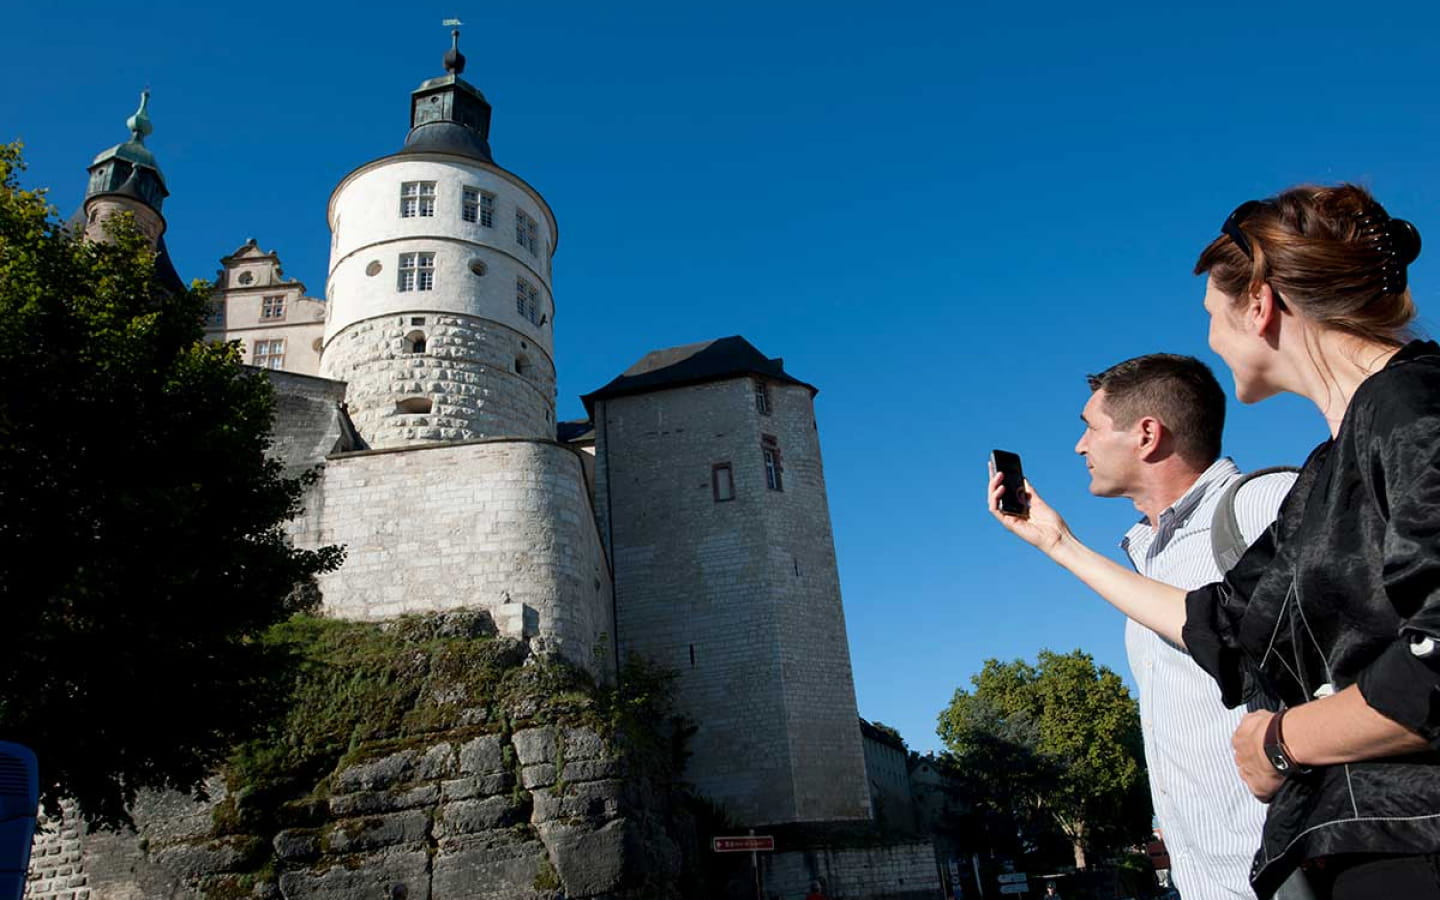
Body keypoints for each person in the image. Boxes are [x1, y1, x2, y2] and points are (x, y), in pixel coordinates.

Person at [988, 184, 1439, 900]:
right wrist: (1058, 544)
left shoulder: (1412, 408)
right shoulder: (1334, 462)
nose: (1210, 339)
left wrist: (1283, 741)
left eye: (1211, 315)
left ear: (1258, 304)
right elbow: (1221, 622)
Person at [1075, 353, 1296, 900]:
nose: (1081, 447)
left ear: (1148, 434)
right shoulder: (1148, 554)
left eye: (1090, 429)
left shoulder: (1265, 505)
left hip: (1292, 871)